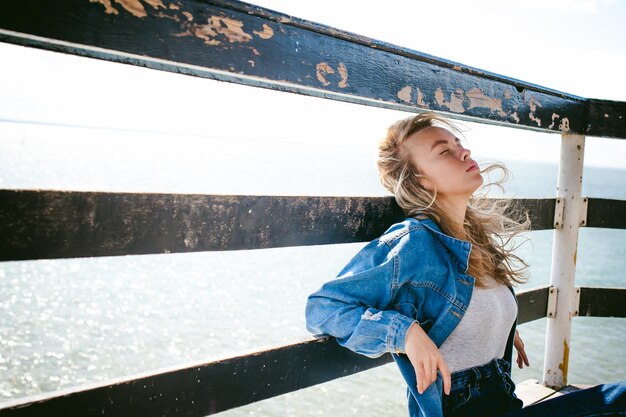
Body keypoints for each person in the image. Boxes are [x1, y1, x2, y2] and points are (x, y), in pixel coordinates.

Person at [305, 112, 626, 417]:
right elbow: (323, 308)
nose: (463, 151)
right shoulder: (413, 241)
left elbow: (456, 309)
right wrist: (406, 333)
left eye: (458, 143)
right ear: (421, 181)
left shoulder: (474, 241)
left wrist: (496, 325)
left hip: (502, 401)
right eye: (445, 151)